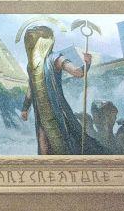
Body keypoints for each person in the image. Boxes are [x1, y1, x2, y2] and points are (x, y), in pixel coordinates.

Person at [19, 24, 96, 155]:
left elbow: (77, 72)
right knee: (43, 147)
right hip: (40, 114)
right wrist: (25, 108)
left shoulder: (56, 58)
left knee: (63, 145)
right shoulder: (31, 65)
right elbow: (31, 87)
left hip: (56, 111)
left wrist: (87, 64)